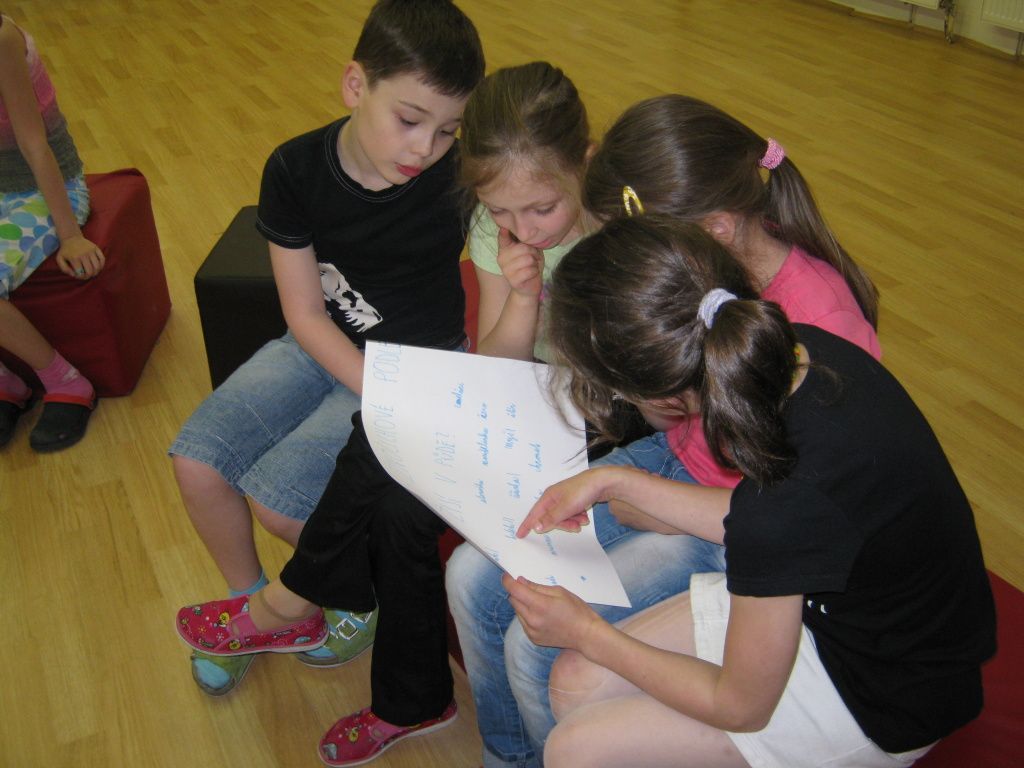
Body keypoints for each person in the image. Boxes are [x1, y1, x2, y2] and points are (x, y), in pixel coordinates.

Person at [444, 94, 883, 767]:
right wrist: (644, 423)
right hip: (678, 467)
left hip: (736, 520)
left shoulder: (823, 328)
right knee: (473, 575)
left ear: (714, 230)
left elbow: (791, 512)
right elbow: (670, 419)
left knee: (536, 644)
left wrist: (645, 492)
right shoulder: (708, 270)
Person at [505, 215, 996, 768]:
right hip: (842, 611)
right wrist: (613, 480)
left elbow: (739, 705)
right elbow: (777, 522)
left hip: (887, 695)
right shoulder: (797, 354)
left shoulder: (784, 505)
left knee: (575, 749)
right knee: (573, 682)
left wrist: (589, 633)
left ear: (653, 394)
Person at [168, 0, 483, 737]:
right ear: (354, 85)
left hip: (415, 365)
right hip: (320, 346)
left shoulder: (458, 179)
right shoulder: (294, 167)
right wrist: (367, 384)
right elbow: (305, 315)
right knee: (196, 464)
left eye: (448, 130)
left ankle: (341, 599)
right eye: (409, 119)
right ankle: (260, 609)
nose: (426, 148)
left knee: (280, 501)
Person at [0, 11, 104, 452]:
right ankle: (6, 381)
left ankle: (66, 380)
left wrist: (70, 234)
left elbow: (33, 143)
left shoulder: (1, 37)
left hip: (41, 188)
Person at [459, 61, 594, 365]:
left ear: (585, 164)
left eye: (543, 209)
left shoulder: (622, 220)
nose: (523, 232)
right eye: (498, 209)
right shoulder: (491, 229)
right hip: (541, 374)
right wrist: (523, 297)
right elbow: (496, 365)